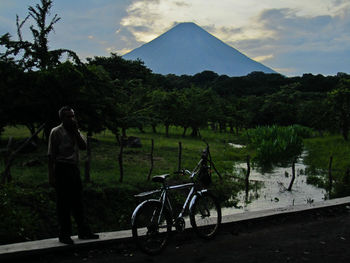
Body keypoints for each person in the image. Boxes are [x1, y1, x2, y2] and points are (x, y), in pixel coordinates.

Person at [48, 106, 99, 245]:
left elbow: (83, 146)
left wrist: (76, 131)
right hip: (61, 168)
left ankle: (83, 231)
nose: (71, 119)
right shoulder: (56, 132)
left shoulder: (76, 131)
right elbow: (51, 155)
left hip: (74, 169)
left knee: (78, 202)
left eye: (72, 116)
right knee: (63, 204)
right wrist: (51, 176)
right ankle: (64, 234)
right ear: (62, 118)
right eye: (68, 117)